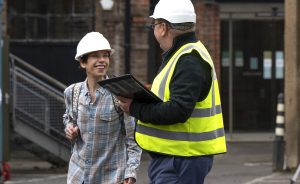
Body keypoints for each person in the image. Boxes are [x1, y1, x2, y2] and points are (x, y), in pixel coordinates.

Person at [118, 0, 227, 183]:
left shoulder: (188, 60)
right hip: (177, 156)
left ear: (163, 27)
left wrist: (135, 108)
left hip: (181, 159)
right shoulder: (184, 55)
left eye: (154, 25)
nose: (153, 30)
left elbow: (178, 110)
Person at [63, 32, 142, 184]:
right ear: (82, 62)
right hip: (78, 177)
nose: (102, 61)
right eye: (95, 56)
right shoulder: (71, 92)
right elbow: (68, 117)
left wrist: (130, 173)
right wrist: (70, 128)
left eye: (105, 56)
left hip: (111, 178)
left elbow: (133, 139)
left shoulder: (120, 93)